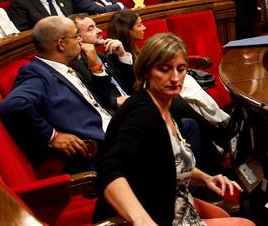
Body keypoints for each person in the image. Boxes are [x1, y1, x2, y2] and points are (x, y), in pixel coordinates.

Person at [92, 33, 249, 225]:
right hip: (153, 213)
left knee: (223, 215)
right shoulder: (142, 114)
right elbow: (110, 171)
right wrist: (141, 220)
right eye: (165, 70)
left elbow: (169, 162)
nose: (175, 78)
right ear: (146, 71)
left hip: (173, 199)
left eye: (181, 69)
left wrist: (206, 178)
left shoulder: (168, 104)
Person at [0, 16, 112, 172]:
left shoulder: (68, 65)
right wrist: (52, 136)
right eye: (76, 36)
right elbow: (13, 105)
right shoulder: (37, 74)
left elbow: (103, 101)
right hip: (100, 152)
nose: (80, 40)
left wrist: (95, 65)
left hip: (113, 129)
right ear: (61, 44)